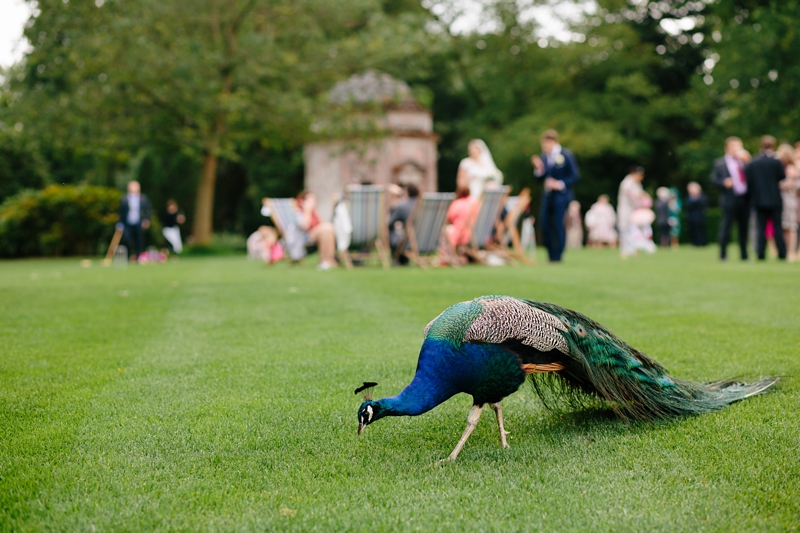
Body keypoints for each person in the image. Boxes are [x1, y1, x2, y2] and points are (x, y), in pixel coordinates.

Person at [531, 129, 579, 262]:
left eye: (546, 144)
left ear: (553, 142)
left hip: (561, 196)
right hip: (547, 196)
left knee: (558, 225)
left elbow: (575, 176)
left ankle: (558, 255)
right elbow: (539, 179)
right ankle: (550, 253)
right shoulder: (544, 157)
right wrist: (538, 169)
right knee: (544, 223)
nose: (544, 147)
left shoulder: (566, 155)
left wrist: (559, 184)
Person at [745, 135, 787, 260]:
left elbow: (749, 181)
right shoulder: (776, 162)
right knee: (777, 227)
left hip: (759, 200)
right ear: (773, 146)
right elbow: (782, 177)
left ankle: (761, 253)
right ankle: (782, 253)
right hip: (775, 200)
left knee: (761, 227)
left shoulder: (753, 162)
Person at [712, 136, 751, 260]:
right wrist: (724, 182)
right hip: (729, 199)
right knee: (726, 227)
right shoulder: (720, 163)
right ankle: (723, 254)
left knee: (744, 228)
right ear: (727, 148)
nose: (737, 149)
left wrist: (749, 161)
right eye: (734, 146)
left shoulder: (745, 163)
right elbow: (713, 180)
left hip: (744, 199)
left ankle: (744, 255)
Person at [296, 191, 337, 270]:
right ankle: (324, 261)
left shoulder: (314, 211)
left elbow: (319, 224)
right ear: (303, 201)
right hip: (305, 237)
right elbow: (305, 226)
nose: (314, 202)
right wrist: (306, 210)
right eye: (311, 200)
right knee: (327, 227)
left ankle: (329, 260)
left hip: (316, 233)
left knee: (329, 227)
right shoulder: (299, 212)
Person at [617, 166, 648, 258]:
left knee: (635, 230)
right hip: (625, 209)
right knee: (624, 229)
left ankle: (635, 249)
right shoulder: (627, 182)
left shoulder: (637, 184)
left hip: (635, 210)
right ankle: (625, 250)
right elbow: (632, 195)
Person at [117, 180, 152, 262]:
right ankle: (128, 256)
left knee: (139, 240)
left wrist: (146, 220)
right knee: (127, 239)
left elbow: (149, 210)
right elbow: (120, 212)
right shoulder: (124, 199)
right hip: (127, 223)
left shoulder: (142, 198)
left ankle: (138, 257)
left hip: (139, 223)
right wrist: (120, 223)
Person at [444, 186, 480, 264]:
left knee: (445, 230)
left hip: (460, 234)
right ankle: (460, 256)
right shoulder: (475, 202)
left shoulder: (457, 203)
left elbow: (448, 218)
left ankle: (450, 256)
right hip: (473, 233)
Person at [777, 144, 799, 262]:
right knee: (785, 226)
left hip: (790, 199)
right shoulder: (780, 167)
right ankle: (786, 251)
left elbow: (792, 183)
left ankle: (791, 252)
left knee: (791, 226)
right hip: (781, 199)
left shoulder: (792, 167)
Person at [388, 184, 419, 264]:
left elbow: (390, 222)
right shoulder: (424, 205)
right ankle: (403, 259)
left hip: (409, 239)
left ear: (407, 193)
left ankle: (396, 259)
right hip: (425, 239)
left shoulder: (402, 206)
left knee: (393, 231)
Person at [685, 182, 707, 246]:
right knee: (692, 231)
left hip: (700, 217)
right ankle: (694, 243)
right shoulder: (688, 197)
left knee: (701, 231)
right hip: (691, 217)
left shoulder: (702, 197)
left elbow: (703, 205)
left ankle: (702, 243)